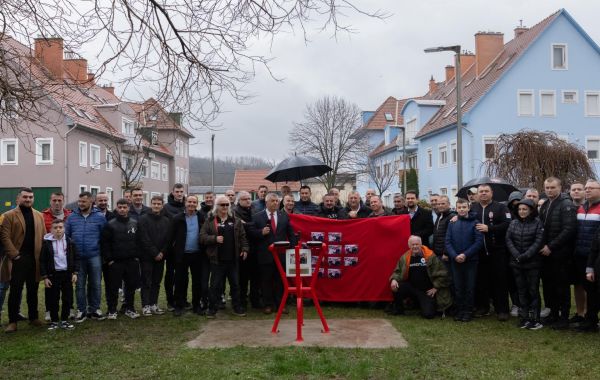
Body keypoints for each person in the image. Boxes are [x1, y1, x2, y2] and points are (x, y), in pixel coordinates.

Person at [1, 188, 45, 333]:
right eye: (25, 197)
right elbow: (4, 237)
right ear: (18, 199)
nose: (28, 199)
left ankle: (33, 317)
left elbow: (44, 236)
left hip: (35, 258)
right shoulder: (8, 215)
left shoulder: (39, 215)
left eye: (30, 197)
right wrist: (14, 255)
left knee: (33, 289)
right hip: (18, 259)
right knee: (15, 290)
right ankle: (13, 322)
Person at [201, 195, 249, 317]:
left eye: (227, 204)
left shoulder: (235, 220)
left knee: (235, 285)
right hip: (217, 260)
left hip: (233, 260)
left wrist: (245, 249)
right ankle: (212, 309)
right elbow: (202, 237)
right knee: (215, 286)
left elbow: (243, 237)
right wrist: (214, 238)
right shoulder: (210, 221)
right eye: (222, 204)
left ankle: (237, 307)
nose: (225, 207)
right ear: (217, 206)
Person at [539, 177, 577, 330]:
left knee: (562, 286)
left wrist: (551, 247)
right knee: (549, 285)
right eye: (547, 187)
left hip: (561, 253)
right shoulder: (545, 204)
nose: (549, 190)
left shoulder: (566, 204)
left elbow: (569, 229)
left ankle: (564, 317)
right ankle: (553, 314)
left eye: (552, 187)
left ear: (560, 187)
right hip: (546, 253)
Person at [250, 193, 297, 314]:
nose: (276, 203)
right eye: (273, 201)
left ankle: (281, 304)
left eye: (277, 201)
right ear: (266, 203)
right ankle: (268, 304)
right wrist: (261, 232)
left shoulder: (284, 216)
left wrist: (291, 247)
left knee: (280, 281)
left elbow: (291, 233)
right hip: (265, 255)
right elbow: (251, 233)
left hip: (281, 255)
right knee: (266, 281)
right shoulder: (257, 217)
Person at [471, 184, 512, 321]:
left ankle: (502, 310)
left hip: (497, 250)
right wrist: (455, 218)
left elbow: (507, 225)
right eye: (481, 191)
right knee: (481, 281)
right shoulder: (473, 208)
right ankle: (483, 307)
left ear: (491, 193)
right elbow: (465, 218)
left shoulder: (500, 207)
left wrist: (490, 228)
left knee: (500, 281)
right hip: (479, 251)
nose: (483, 193)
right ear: (477, 194)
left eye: (486, 191)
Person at [65, 191, 107, 323]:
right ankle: (81, 310)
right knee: (79, 285)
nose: (81, 204)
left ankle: (95, 309)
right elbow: (67, 236)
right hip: (78, 258)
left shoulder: (100, 217)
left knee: (95, 284)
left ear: (91, 202)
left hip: (94, 255)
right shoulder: (72, 217)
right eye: (80, 201)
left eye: (84, 201)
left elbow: (104, 237)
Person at [389, 235, 452, 319]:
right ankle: (399, 309)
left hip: (426, 291)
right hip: (411, 288)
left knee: (428, 315)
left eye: (417, 244)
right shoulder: (405, 257)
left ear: (421, 244)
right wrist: (394, 279)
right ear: (409, 246)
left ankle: (421, 305)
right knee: (396, 286)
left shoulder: (431, 256)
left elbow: (443, 274)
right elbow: (397, 271)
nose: (415, 246)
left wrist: (436, 287)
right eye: (412, 244)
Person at [506, 199, 544, 330]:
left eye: (525, 209)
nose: (522, 212)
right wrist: (516, 255)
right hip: (516, 263)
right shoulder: (513, 223)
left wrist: (526, 255)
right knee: (521, 291)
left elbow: (538, 241)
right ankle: (524, 317)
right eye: (520, 209)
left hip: (532, 263)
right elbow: (508, 239)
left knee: (533, 290)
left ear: (531, 210)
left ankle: (535, 319)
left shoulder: (537, 223)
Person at [166, 195, 207, 316]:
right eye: (189, 201)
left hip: (197, 254)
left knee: (197, 282)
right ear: (185, 203)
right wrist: (171, 252)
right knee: (180, 281)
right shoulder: (177, 218)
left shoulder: (201, 217)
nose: (191, 204)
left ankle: (196, 305)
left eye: (194, 202)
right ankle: (179, 305)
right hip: (181, 255)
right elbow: (170, 237)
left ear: (197, 204)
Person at [101, 199, 142, 319]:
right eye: (120, 207)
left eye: (125, 207)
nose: (122, 209)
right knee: (113, 287)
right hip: (115, 262)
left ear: (129, 208)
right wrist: (109, 260)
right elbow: (105, 244)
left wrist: (136, 257)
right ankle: (112, 310)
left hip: (131, 261)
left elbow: (139, 241)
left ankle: (130, 308)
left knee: (130, 287)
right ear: (117, 208)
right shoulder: (110, 224)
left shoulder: (134, 223)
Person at [445, 198, 484, 322]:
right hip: (455, 261)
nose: (461, 209)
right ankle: (460, 310)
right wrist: (454, 255)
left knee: (469, 287)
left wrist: (465, 255)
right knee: (458, 287)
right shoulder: (452, 223)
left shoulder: (475, 223)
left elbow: (478, 242)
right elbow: (448, 241)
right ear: (456, 209)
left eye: (464, 207)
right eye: (459, 207)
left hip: (470, 261)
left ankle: (468, 311)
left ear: (468, 208)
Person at [40, 219, 79, 330]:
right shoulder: (47, 243)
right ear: (51, 230)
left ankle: (64, 320)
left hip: (67, 274)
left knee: (67, 298)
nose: (58, 230)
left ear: (64, 229)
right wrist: (45, 277)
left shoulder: (70, 242)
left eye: (60, 227)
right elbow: (42, 261)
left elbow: (76, 258)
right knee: (53, 299)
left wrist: (75, 272)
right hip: (53, 275)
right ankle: (54, 321)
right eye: (55, 228)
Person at [41, 191, 73, 322]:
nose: (57, 203)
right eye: (54, 200)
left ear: (63, 201)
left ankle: (69, 309)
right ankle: (49, 311)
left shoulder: (70, 215)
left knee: (67, 292)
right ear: (50, 201)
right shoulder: (42, 215)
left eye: (59, 200)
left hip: (65, 256)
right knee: (51, 292)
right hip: (50, 256)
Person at [573, 180, 600, 332]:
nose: (588, 190)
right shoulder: (582, 208)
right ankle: (586, 317)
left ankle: (591, 320)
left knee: (594, 290)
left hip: (595, 256)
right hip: (580, 254)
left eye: (591, 188)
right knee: (586, 287)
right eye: (586, 188)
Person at [138, 195, 170, 316]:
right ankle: (145, 305)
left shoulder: (166, 220)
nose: (156, 206)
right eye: (154, 203)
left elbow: (168, 239)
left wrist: (162, 252)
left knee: (156, 281)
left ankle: (153, 304)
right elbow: (144, 238)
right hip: (147, 256)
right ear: (151, 204)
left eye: (159, 204)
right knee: (146, 281)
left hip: (161, 257)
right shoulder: (143, 219)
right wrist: (154, 252)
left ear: (162, 205)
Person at [234, 191, 261, 309]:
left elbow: (257, 225)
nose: (248, 200)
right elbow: (241, 227)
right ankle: (242, 300)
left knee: (256, 277)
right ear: (239, 200)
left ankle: (255, 300)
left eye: (249, 198)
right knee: (243, 277)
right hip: (242, 248)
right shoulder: (235, 212)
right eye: (245, 199)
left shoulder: (255, 209)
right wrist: (252, 226)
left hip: (255, 247)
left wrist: (248, 225)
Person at [163, 183, 186, 310]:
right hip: (171, 248)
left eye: (181, 191)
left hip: (184, 247)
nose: (179, 194)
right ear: (172, 192)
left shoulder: (187, 206)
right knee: (170, 275)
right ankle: (170, 300)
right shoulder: (166, 208)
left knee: (182, 275)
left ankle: (181, 299)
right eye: (177, 191)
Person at [569, 181, 587, 325]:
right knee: (578, 284)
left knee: (589, 285)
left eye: (579, 189)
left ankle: (589, 313)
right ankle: (580, 312)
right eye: (573, 189)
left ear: (584, 192)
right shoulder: (567, 207)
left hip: (588, 251)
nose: (576, 192)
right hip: (572, 251)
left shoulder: (588, 207)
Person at [432, 196, 455, 264]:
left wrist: (446, 253)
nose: (440, 206)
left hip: (445, 255)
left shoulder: (452, 217)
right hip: (438, 253)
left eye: (443, 204)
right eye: (438, 204)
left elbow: (451, 237)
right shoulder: (439, 216)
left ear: (449, 204)